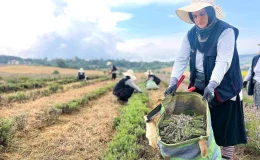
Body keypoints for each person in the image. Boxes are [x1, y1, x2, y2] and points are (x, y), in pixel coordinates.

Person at [164, 0, 247, 159]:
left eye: (202, 14)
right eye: (194, 15)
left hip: (225, 86)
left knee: (226, 127)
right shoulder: (190, 34)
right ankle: (209, 155)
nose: (198, 19)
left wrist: (213, 84)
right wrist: (173, 81)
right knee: (205, 124)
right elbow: (181, 59)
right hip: (201, 85)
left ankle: (226, 157)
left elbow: (223, 61)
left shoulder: (226, 31)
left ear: (210, 13)